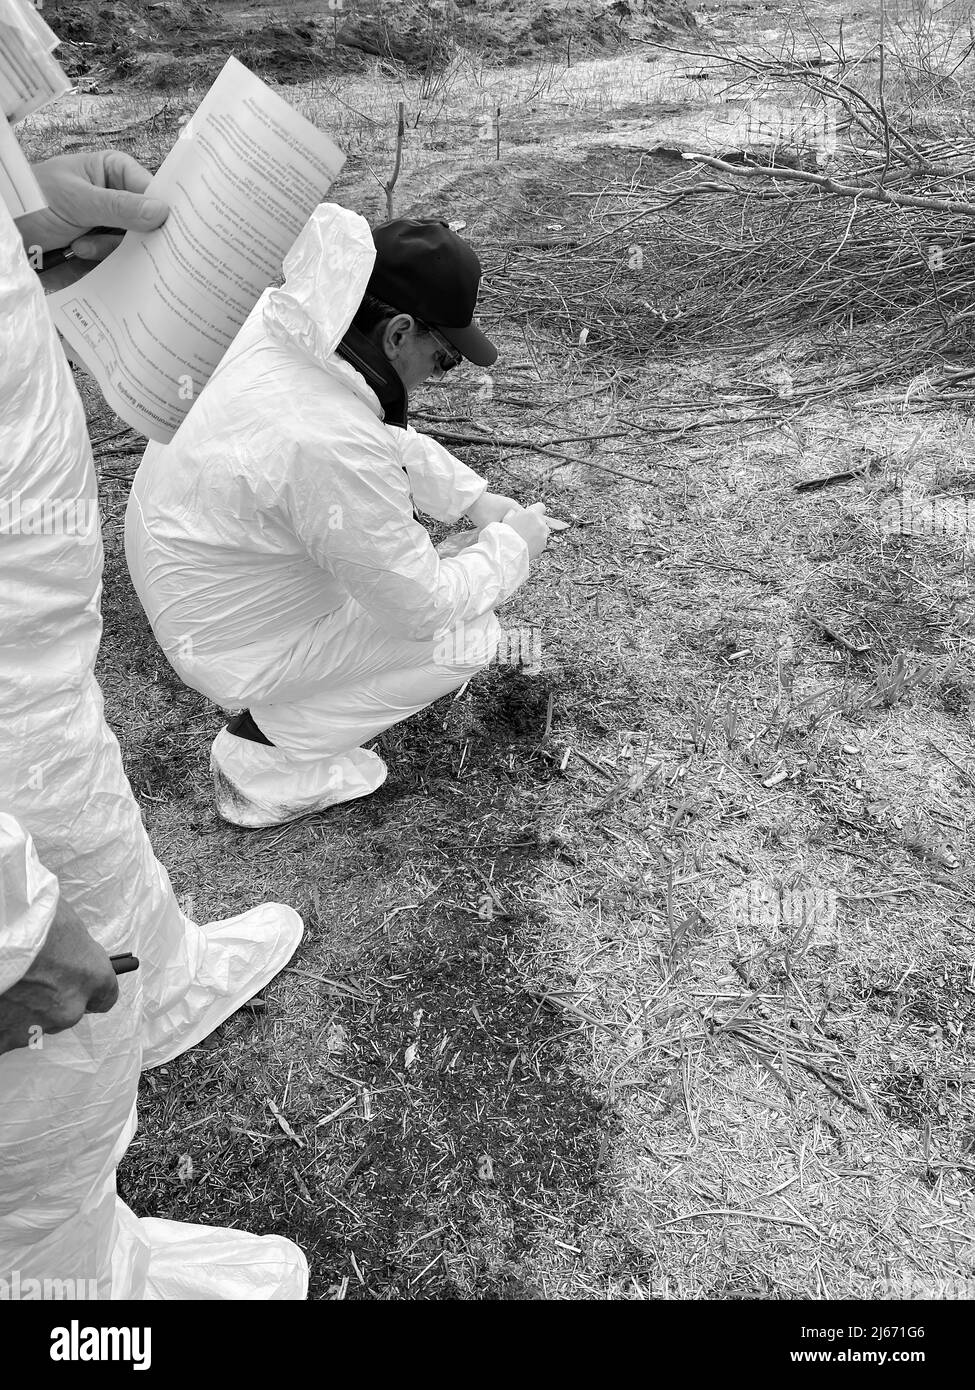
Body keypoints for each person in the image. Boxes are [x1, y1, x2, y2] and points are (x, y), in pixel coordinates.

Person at [1, 148, 307, 1298]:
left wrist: (26, 201)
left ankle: (161, 977)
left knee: (61, 762)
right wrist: (7, 929)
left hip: (26, 641)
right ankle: (65, 1293)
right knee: (43, 1045)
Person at [125, 204, 552, 829]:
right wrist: (512, 547)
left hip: (193, 582)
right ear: (399, 332)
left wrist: (471, 499)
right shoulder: (330, 443)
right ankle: (263, 766)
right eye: (444, 359)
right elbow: (420, 607)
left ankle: (283, 718)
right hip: (228, 639)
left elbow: (372, 438)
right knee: (468, 637)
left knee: (439, 584)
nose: (438, 376)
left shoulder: (287, 328)